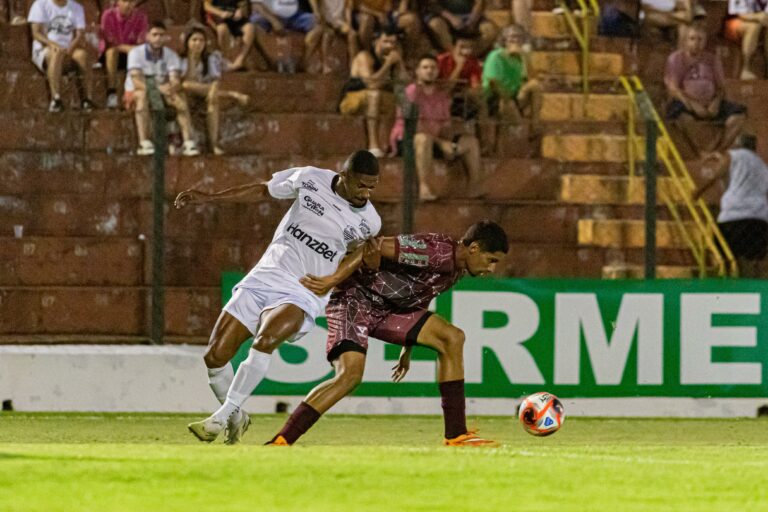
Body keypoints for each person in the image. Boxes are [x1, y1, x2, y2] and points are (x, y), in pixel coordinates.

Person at [175, 150, 382, 444]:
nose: (366, 193)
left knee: (265, 340)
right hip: (265, 275)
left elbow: (360, 253)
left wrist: (334, 279)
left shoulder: (370, 221)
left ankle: (220, 417)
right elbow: (262, 190)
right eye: (361, 185)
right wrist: (210, 197)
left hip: (304, 289)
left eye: (372, 186)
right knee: (215, 356)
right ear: (344, 176)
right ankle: (236, 417)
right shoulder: (309, 178)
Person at [265, 220, 509, 447]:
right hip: (355, 300)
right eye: (491, 260)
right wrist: (333, 279)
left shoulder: (455, 269)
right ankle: (283, 439)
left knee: (452, 337)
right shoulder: (434, 250)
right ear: (474, 248)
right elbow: (375, 246)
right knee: (349, 376)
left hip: (388, 310)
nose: (492, 268)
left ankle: (456, 434)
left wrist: (407, 347)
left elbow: (417, 295)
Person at [390, 54, 482, 200]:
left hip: (435, 140)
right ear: (418, 72)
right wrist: (442, 143)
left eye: (433, 67)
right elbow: (414, 126)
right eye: (425, 67)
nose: (429, 71)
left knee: (470, 142)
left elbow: (445, 125)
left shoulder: (442, 96)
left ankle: (474, 187)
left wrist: (449, 143)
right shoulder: (412, 92)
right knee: (423, 138)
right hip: (409, 139)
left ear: (438, 71)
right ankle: (424, 187)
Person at [664, 24, 747, 155]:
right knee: (682, 117)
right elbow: (673, 89)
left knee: (739, 116)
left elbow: (721, 87)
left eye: (700, 39)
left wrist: (716, 103)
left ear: (705, 42)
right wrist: (693, 105)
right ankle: (699, 151)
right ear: (685, 41)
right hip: (687, 102)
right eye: (692, 39)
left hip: (711, 102)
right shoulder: (675, 59)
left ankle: (719, 150)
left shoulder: (712, 59)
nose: (696, 43)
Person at [693, 134, 768, 278]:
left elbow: (715, 175)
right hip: (759, 216)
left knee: (722, 254)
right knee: (754, 259)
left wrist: (697, 193)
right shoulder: (762, 166)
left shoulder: (733, 155)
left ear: (738, 144)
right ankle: (755, 290)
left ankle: (726, 286)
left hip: (734, 213)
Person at [125, 21, 200, 157]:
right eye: (155, 35)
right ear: (147, 36)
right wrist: (159, 88)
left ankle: (188, 142)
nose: (158, 38)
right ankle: (144, 142)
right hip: (138, 90)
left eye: (161, 35)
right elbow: (137, 81)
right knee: (142, 96)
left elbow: (174, 78)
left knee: (179, 98)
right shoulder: (136, 53)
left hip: (161, 89)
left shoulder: (171, 55)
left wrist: (173, 86)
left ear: (166, 37)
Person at [179, 27, 250, 155]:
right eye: (194, 40)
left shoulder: (210, 58)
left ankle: (214, 144)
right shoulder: (181, 60)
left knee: (213, 102)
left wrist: (212, 92)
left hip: (205, 94)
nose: (198, 43)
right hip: (186, 95)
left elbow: (215, 80)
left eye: (201, 40)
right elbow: (182, 84)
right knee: (185, 85)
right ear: (187, 42)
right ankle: (233, 94)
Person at [339, 25, 407, 157]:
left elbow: (406, 84)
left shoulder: (394, 59)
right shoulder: (365, 56)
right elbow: (371, 84)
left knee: (399, 99)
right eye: (386, 42)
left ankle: (390, 145)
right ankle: (373, 145)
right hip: (353, 99)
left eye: (393, 43)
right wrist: (387, 65)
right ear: (376, 42)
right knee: (374, 95)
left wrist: (400, 63)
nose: (390, 46)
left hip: (379, 99)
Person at [28, 0, 95, 112]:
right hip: (44, 48)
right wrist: (52, 44)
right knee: (57, 53)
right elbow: (36, 33)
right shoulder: (40, 5)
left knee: (83, 55)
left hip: (67, 48)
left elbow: (79, 35)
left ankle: (87, 99)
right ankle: (56, 99)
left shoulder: (76, 7)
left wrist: (70, 49)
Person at [482, 24, 543, 140]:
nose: (515, 40)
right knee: (507, 104)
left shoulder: (520, 57)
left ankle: (535, 126)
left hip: (515, 96)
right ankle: (518, 130)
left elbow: (531, 79)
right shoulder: (496, 56)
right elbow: (493, 82)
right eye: (512, 37)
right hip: (495, 99)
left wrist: (524, 57)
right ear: (505, 40)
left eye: (519, 37)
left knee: (535, 85)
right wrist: (509, 101)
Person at [250, 0, 325, 71]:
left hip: (295, 16)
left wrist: (316, 11)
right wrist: (273, 21)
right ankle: (268, 61)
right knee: (252, 24)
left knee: (319, 26)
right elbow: (256, 4)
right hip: (269, 15)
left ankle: (304, 61)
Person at [100, 0, 149, 109]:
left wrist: (130, 49)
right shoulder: (108, 15)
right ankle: (111, 92)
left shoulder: (141, 17)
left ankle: (129, 95)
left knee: (138, 55)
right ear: (117, 2)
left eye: (131, 2)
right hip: (111, 53)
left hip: (131, 53)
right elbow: (110, 41)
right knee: (112, 52)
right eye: (125, 1)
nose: (128, 5)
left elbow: (141, 42)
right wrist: (126, 47)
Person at [424, 0, 498, 57]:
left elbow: (479, 3)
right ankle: (453, 54)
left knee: (490, 30)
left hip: (469, 15)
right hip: (443, 16)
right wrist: (451, 18)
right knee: (435, 24)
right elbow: (432, 4)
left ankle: (470, 55)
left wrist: (472, 21)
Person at [203, 0, 256, 71]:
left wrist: (240, 11)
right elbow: (206, 6)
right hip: (218, 18)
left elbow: (244, 6)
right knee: (222, 29)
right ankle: (225, 60)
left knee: (250, 28)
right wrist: (220, 13)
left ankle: (239, 60)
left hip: (234, 17)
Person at [723, 0, 768, 80]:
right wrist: (758, 17)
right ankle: (746, 68)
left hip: (761, 24)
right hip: (736, 21)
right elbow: (740, 13)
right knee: (753, 26)